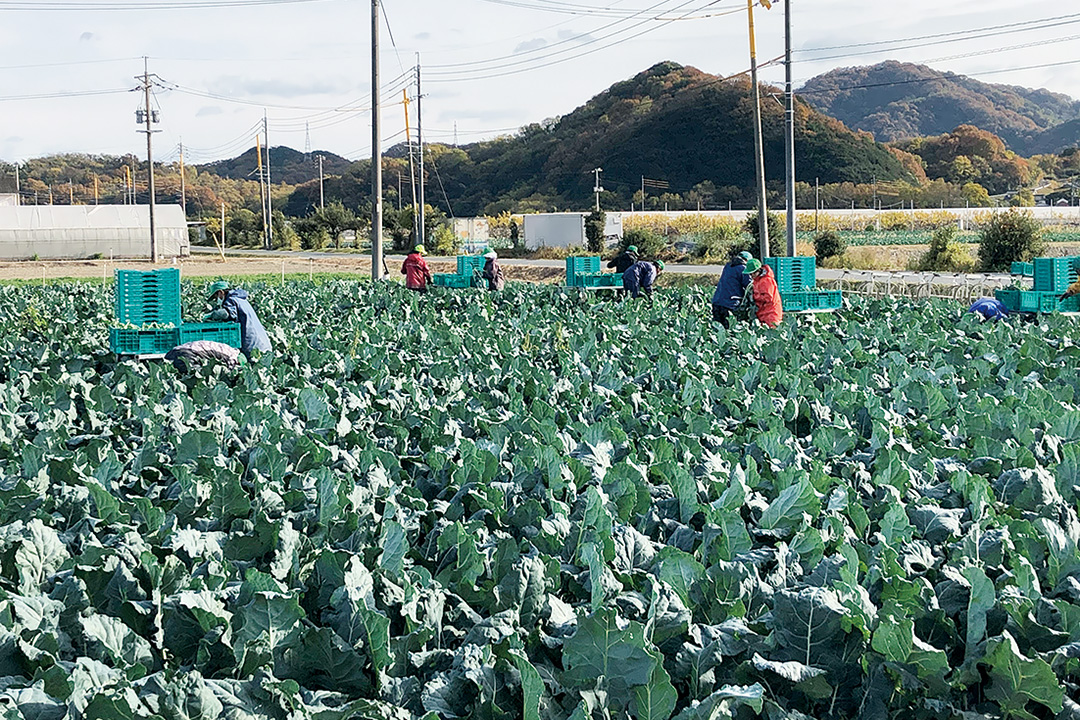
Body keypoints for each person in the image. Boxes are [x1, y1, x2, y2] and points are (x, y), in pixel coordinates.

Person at [204, 280, 272, 359]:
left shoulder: (231, 300)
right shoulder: (240, 299)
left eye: (216, 297)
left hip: (253, 346)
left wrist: (211, 315)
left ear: (221, 292)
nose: (217, 300)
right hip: (263, 343)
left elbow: (226, 313)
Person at [711, 250, 752, 328]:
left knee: (718, 330)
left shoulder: (728, 266)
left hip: (717, 301)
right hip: (730, 303)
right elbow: (749, 285)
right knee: (729, 329)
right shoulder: (743, 268)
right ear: (747, 260)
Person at [744, 258, 783, 327]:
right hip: (764, 312)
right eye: (750, 274)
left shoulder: (766, 280)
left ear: (758, 271)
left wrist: (755, 297)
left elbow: (769, 298)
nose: (751, 275)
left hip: (771, 313)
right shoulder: (758, 280)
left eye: (753, 273)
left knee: (773, 334)